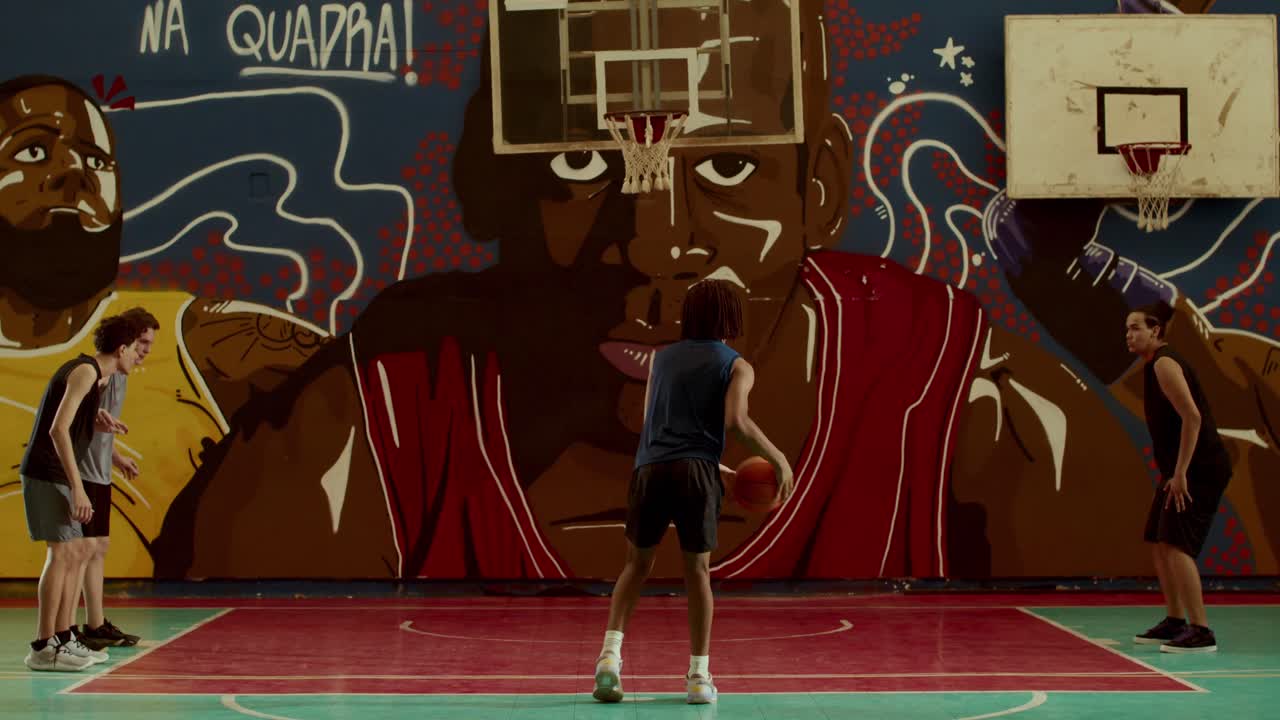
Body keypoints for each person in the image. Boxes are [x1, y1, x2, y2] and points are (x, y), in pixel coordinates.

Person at [591, 280, 794, 705]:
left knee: (636, 565)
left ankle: (609, 657)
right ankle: (699, 677)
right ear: (730, 318)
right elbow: (736, 422)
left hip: (649, 469)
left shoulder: (661, 361)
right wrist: (778, 458)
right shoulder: (736, 365)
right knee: (697, 572)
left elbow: (656, 430)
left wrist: (715, 467)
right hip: (694, 473)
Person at [21, 312, 145, 671]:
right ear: (121, 348)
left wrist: (95, 420)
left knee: (73, 552)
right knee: (60, 555)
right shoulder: (86, 372)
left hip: (58, 473)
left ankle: (63, 637)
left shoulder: (94, 379)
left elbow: (69, 420)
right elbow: (57, 430)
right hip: (48, 473)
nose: (139, 356)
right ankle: (43, 646)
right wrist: (78, 488)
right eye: (136, 348)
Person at [1126, 301, 1231, 653]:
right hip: (1180, 470)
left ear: (1156, 331)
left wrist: (1182, 473)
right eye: (1127, 329)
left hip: (1199, 469)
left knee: (1176, 544)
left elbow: (1193, 417)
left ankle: (1201, 630)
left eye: (1136, 327)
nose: (1129, 335)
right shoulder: (1152, 366)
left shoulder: (1166, 364)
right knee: (1159, 540)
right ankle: (1175, 620)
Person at [74, 307, 158, 651]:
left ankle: (95, 623)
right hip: (82, 471)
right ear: (124, 344)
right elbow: (77, 418)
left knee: (99, 547)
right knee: (80, 551)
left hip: (100, 470)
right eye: (142, 342)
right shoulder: (103, 374)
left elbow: (101, 426)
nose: (146, 351)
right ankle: (70, 629)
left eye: (150, 344)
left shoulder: (121, 375)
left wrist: (118, 457)